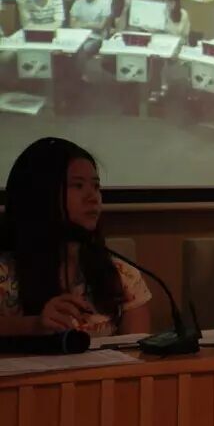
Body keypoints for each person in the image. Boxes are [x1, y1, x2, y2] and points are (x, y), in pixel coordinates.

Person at [0, 138, 152, 337]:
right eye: (78, 186)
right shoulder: (4, 274)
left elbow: (136, 351)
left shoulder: (123, 277)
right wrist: (33, 326)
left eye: (96, 186)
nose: (92, 197)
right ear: (40, 195)